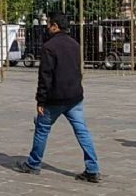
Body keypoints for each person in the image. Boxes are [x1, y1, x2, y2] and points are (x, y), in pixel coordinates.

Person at [14, 12, 101, 184]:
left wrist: (40, 100)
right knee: (82, 131)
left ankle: (33, 164)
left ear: (55, 26)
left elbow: (45, 76)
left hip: (54, 98)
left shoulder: (49, 47)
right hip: (74, 96)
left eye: (49, 24)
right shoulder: (75, 45)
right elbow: (78, 70)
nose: (47, 27)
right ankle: (92, 168)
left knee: (42, 129)